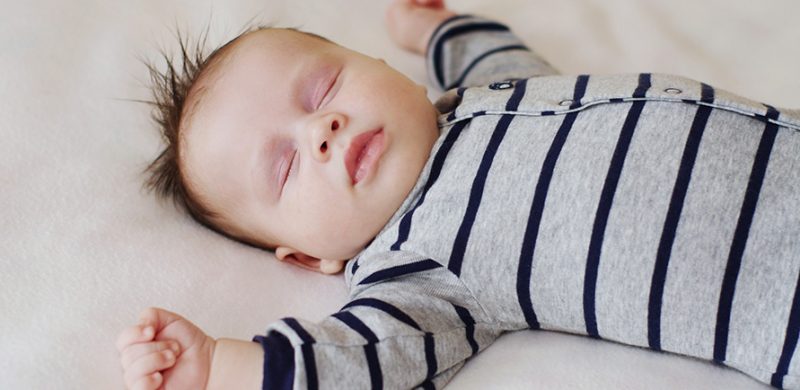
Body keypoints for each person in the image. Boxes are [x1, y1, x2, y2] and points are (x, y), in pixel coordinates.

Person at [117, 0, 800, 389]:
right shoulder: (419, 264)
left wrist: (440, 31)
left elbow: (500, 62)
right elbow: (360, 362)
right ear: (305, 258)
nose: (320, 130)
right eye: (286, 168)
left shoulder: (483, 98)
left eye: (323, 89)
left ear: (380, 67)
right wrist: (221, 368)